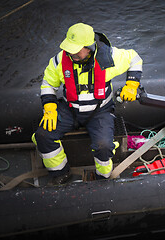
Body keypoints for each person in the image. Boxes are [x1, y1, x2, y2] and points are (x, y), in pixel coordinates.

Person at [32, 23, 142, 185]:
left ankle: (102, 178)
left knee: (103, 146)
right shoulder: (59, 60)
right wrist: (49, 107)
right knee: (43, 136)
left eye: (75, 50)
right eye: (69, 48)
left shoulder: (109, 57)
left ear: (89, 47)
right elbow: (48, 84)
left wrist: (132, 85)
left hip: (100, 111)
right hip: (70, 109)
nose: (70, 53)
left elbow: (134, 58)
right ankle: (60, 173)